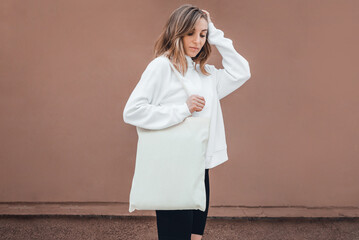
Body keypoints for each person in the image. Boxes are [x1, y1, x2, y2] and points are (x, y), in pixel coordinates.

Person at [123, 4, 251, 240]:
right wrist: (182, 109)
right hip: (173, 168)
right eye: (191, 33)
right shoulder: (162, 66)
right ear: (177, 32)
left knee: (194, 237)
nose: (197, 41)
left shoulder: (207, 74)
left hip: (200, 168)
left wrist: (215, 32)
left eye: (203, 35)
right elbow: (132, 112)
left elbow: (242, 72)